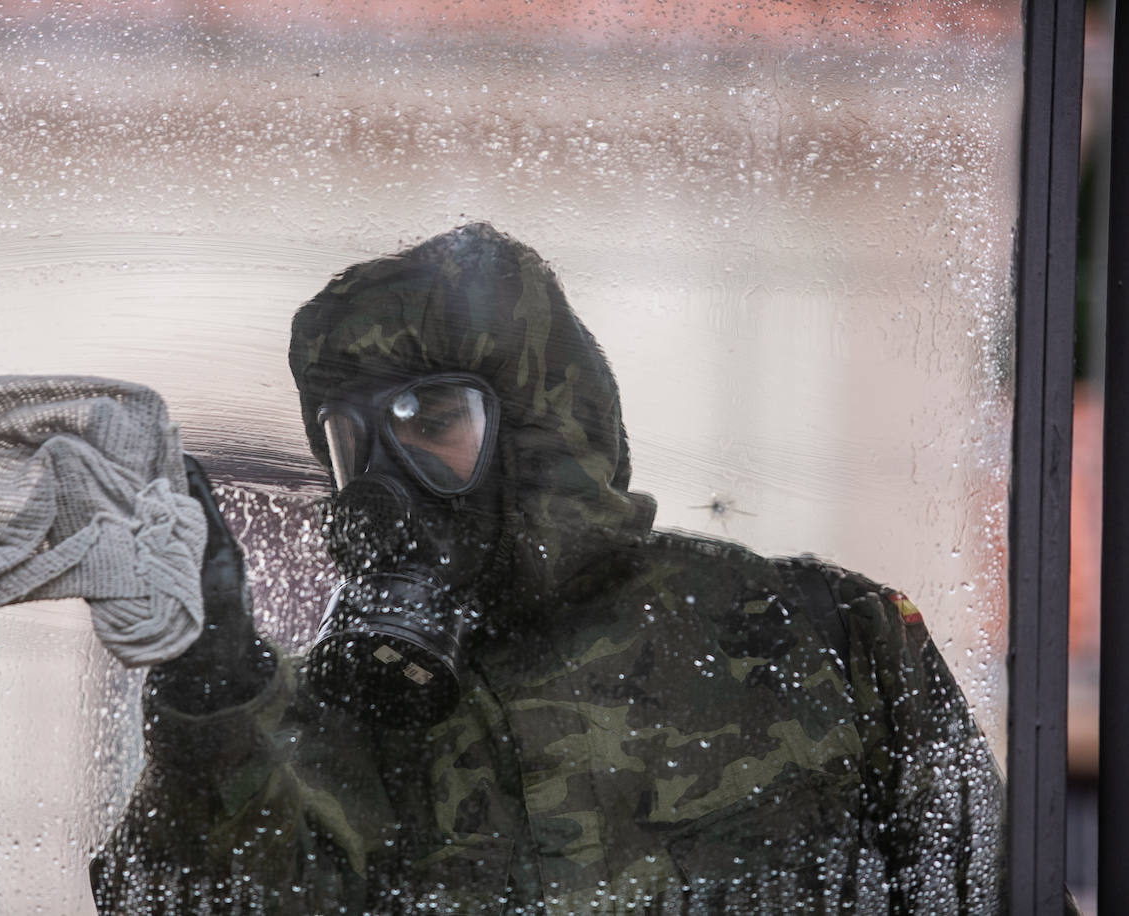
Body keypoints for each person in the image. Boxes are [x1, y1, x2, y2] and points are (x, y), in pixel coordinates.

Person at [90, 223, 1006, 914]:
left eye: (428, 419)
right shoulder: (324, 725)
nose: (380, 485)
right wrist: (209, 691)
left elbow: (994, 889)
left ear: (534, 424)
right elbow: (176, 900)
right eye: (351, 442)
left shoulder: (820, 638)